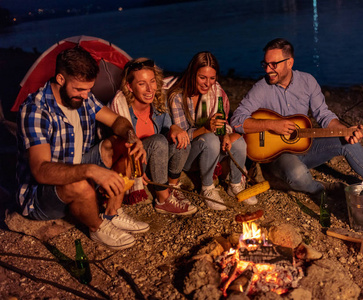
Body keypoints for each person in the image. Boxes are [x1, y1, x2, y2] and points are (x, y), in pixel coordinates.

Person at [230, 38, 363, 213]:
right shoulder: (261, 88)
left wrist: (345, 131)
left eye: (273, 64)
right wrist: (272, 125)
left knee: (348, 142)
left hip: (307, 146)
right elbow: (237, 119)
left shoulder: (308, 81)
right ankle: (318, 188)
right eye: (265, 64)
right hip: (278, 155)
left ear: (290, 62)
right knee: (296, 173)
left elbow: (324, 115)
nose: (268, 69)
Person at [16, 47, 150, 251]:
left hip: (78, 167)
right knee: (78, 182)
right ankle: (97, 228)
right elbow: (41, 170)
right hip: (41, 196)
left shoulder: (83, 98)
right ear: (61, 79)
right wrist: (91, 170)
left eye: (89, 89)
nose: (86, 95)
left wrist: (132, 138)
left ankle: (112, 213)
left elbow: (118, 121)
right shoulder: (36, 110)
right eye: (80, 89)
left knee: (123, 144)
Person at [168, 51, 257, 210]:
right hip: (187, 154)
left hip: (211, 150)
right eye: (202, 77)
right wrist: (206, 128)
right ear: (192, 74)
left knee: (239, 142)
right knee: (209, 138)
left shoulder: (216, 91)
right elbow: (181, 138)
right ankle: (207, 188)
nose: (207, 84)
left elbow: (223, 122)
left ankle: (235, 184)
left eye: (212, 78)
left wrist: (226, 134)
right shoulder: (178, 97)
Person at [109, 57, 197, 215]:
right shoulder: (120, 107)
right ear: (129, 86)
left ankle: (172, 186)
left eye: (152, 81)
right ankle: (162, 200)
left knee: (182, 138)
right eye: (142, 84)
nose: (150, 89)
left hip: (158, 162)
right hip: (132, 162)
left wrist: (175, 127)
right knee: (158, 140)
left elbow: (169, 131)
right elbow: (118, 149)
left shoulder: (158, 101)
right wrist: (137, 171)